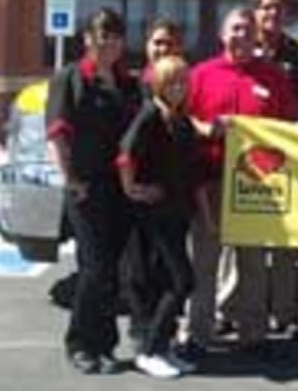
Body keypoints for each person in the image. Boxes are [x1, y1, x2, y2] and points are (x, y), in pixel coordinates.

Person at [184, 8, 298, 360]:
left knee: (253, 263)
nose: (241, 36)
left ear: (256, 36)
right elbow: (182, 117)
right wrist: (205, 129)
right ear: (222, 35)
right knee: (205, 262)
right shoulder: (201, 75)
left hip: (257, 185)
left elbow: (290, 126)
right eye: (235, 29)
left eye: (247, 30)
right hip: (210, 182)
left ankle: (254, 334)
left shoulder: (274, 77)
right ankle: (198, 334)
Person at [45, 8, 143, 374]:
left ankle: (105, 344)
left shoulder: (127, 83)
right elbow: (57, 135)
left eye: (115, 38)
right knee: (94, 267)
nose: (109, 45)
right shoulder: (70, 79)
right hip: (86, 187)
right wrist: (70, 179)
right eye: (102, 37)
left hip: (121, 188)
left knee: (112, 271)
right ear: (88, 39)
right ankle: (80, 343)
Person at [117, 55, 197, 378]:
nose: (178, 87)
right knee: (183, 280)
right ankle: (148, 350)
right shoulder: (150, 115)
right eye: (171, 82)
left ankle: (163, 347)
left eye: (183, 81)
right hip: (156, 214)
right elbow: (126, 154)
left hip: (179, 211)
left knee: (165, 280)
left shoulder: (181, 119)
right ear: (158, 85)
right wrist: (133, 189)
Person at [252, 0, 298, 334]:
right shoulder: (243, 48)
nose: (272, 14)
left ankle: (284, 311)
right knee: (244, 241)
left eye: (278, 9)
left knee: (284, 241)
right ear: (255, 12)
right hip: (246, 161)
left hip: (286, 160)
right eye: (265, 7)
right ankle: (236, 310)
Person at [124, 17, 184, 352]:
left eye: (169, 43)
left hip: (173, 196)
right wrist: (131, 187)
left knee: (166, 271)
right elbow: (125, 149)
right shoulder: (134, 89)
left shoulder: (181, 87)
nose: (163, 48)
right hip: (143, 198)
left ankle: (164, 336)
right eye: (157, 42)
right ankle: (143, 336)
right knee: (140, 269)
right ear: (146, 46)